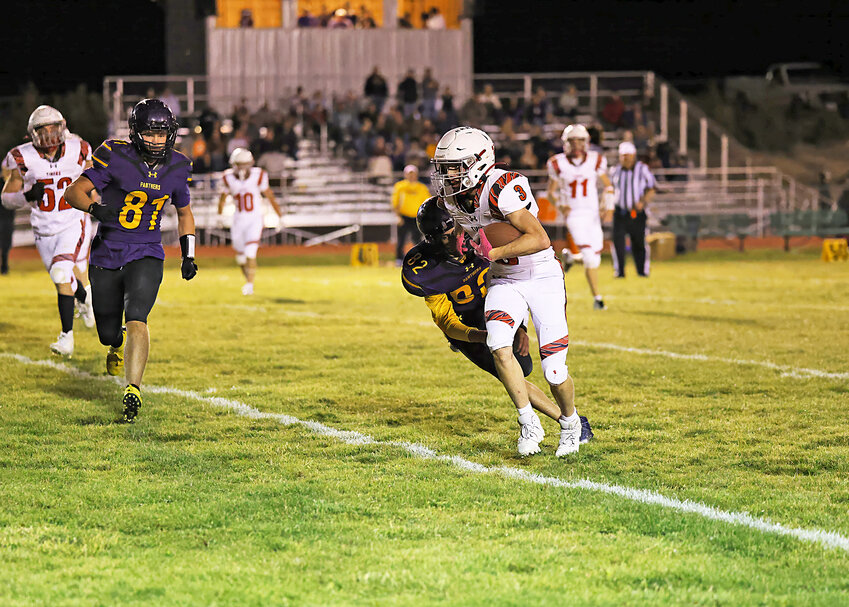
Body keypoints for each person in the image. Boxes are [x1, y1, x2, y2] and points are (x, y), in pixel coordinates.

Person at [432, 126, 583, 457]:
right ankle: (529, 422)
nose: (448, 175)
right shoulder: (454, 199)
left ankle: (571, 424)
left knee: (554, 370)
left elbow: (540, 239)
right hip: (503, 278)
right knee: (498, 345)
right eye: (445, 168)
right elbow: (467, 232)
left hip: (541, 274)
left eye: (456, 167)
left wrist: (492, 252)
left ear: (479, 162)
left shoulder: (502, 188)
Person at [402, 197, 593, 445]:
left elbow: (515, 282)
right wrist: (477, 336)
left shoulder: (483, 240)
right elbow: (447, 323)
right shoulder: (427, 270)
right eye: (449, 234)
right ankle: (571, 423)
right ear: (435, 239)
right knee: (511, 375)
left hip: (499, 307)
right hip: (468, 330)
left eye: (458, 229)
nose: (458, 238)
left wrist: (521, 326)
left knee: (524, 367)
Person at [64, 99, 198, 422]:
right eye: (150, 133)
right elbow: (73, 192)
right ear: (136, 133)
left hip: (147, 251)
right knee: (108, 333)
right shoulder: (114, 153)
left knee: (138, 315)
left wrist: (189, 253)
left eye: (162, 133)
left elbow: (184, 212)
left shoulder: (179, 166)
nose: (156, 140)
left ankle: (133, 390)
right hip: (107, 252)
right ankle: (116, 343)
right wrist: (95, 209)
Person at [1, 105, 96, 355]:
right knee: (62, 277)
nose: (50, 137)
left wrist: (98, 203)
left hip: (72, 222)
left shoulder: (79, 148)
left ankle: (67, 337)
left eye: (54, 130)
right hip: (43, 229)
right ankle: (85, 297)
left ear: (63, 127)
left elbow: (92, 181)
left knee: (61, 273)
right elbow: (6, 198)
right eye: (44, 131)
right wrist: (26, 196)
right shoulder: (22, 157)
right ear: (33, 134)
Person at [546, 124, 615, 310]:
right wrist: (561, 204)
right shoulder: (557, 163)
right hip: (574, 214)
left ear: (587, 142)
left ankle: (571, 258)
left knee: (595, 257)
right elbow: (551, 192)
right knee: (590, 258)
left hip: (592, 214)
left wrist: (606, 205)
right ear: (565, 143)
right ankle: (598, 299)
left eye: (580, 140)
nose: (576, 144)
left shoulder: (596, 160)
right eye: (572, 140)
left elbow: (608, 187)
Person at [218, 148, 282, 295]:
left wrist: (279, 215)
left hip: (254, 219)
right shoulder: (227, 177)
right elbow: (222, 198)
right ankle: (248, 281)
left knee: (250, 252)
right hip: (238, 220)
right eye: (239, 164)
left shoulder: (258, 175)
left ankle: (250, 285)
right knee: (240, 257)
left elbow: (269, 195)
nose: (242, 168)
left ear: (251, 163)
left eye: (245, 164)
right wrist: (219, 215)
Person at [610, 141, 656, 278]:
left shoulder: (642, 169)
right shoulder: (615, 170)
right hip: (620, 212)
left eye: (628, 156)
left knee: (639, 243)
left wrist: (643, 202)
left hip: (637, 213)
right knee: (618, 242)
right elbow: (611, 190)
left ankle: (642, 271)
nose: (626, 158)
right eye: (623, 156)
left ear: (634, 155)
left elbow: (651, 187)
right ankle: (619, 271)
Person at [390, 165, 430, 266]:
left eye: (413, 174)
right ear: (405, 175)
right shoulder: (400, 186)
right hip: (404, 216)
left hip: (416, 217)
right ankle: (399, 259)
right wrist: (398, 216)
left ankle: (418, 258)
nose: (411, 176)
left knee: (417, 240)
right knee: (401, 239)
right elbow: (395, 203)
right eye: (409, 174)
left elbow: (427, 203)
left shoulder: (421, 187)